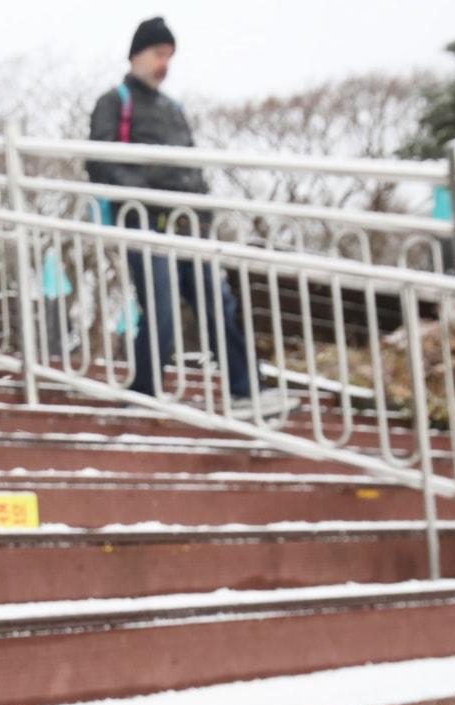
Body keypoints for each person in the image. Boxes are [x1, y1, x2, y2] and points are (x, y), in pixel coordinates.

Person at [87, 18, 288, 414]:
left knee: (218, 306)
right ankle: (144, 392)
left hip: (189, 225)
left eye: (170, 56)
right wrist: (146, 195)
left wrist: (203, 212)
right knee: (160, 309)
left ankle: (246, 389)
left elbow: (194, 166)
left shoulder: (173, 108)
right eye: (159, 54)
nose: (165, 63)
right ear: (138, 54)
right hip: (144, 221)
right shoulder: (115, 101)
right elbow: (101, 158)